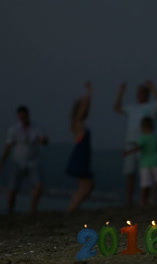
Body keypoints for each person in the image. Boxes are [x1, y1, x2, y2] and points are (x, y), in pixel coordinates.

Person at [114, 80, 157, 207]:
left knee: (146, 174)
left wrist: (153, 88)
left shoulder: (151, 106)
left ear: (146, 94)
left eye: (141, 93)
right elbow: (117, 108)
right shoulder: (132, 108)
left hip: (145, 145)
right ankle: (130, 201)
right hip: (131, 143)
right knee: (130, 174)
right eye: (138, 93)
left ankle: (147, 200)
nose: (139, 95)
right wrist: (121, 92)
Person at [0, 105, 49, 214]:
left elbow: (45, 141)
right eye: (21, 117)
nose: (23, 118)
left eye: (24, 116)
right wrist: (2, 162)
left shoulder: (36, 127)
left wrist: (43, 140)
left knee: (39, 185)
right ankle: (10, 211)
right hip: (17, 161)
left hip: (33, 161)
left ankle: (33, 209)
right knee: (13, 188)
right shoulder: (14, 129)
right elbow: (8, 146)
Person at [124, 117, 157, 207]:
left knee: (145, 184)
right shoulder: (155, 137)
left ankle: (143, 201)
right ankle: (149, 198)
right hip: (155, 161)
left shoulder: (142, 138)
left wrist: (127, 152)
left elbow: (139, 147)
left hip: (145, 163)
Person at [66, 82, 94, 212]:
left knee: (86, 186)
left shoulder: (78, 122)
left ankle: (73, 207)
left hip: (82, 157)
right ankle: (72, 209)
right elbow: (85, 108)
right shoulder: (77, 122)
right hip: (80, 157)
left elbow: (85, 109)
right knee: (86, 186)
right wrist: (89, 92)